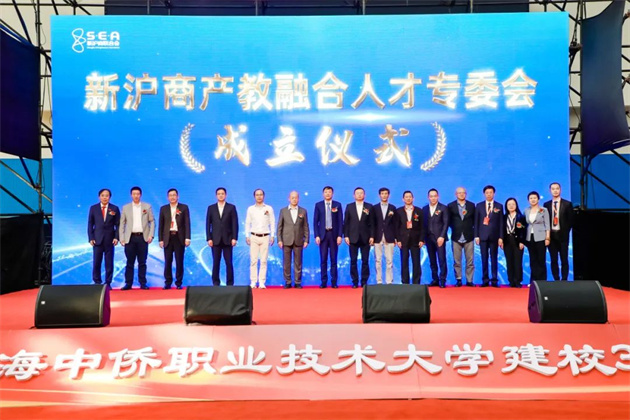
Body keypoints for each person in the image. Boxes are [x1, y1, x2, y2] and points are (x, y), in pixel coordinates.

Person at [119, 186, 154, 290]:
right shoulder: (126, 207)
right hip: (130, 238)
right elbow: (122, 223)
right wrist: (122, 237)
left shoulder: (147, 206)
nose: (136, 196)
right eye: (134, 194)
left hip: (143, 237)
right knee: (129, 262)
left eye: (138, 194)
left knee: (142, 262)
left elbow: (152, 221)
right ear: (131, 195)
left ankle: (143, 283)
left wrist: (151, 235)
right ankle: (128, 283)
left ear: (140, 195)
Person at [158, 188, 191, 290]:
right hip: (167, 238)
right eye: (170, 195)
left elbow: (187, 224)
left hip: (179, 237)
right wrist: (160, 239)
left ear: (178, 196)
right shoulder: (163, 209)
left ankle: (178, 283)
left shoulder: (184, 207)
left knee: (179, 261)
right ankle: (168, 282)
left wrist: (187, 238)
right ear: (168, 197)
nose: (172, 197)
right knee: (168, 261)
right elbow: (161, 225)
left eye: (174, 195)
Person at [206, 187, 239, 286]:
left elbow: (234, 224)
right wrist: (209, 238)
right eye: (219, 194)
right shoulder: (211, 208)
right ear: (216, 195)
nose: (221, 195)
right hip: (215, 240)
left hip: (228, 239)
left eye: (222, 193)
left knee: (229, 262)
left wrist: (234, 238)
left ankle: (230, 283)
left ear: (226, 195)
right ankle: (216, 282)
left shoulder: (231, 207)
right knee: (216, 262)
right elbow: (208, 224)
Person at [87, 188, 120, 285]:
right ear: (99, 197)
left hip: (110, 239)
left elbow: (118, 225)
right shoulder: (93, 208)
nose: (105, 197)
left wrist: (116, 237)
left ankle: (108, 283)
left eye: (107, 196)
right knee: (97, 262)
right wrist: (91, 238)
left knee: (109, 263)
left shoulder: (114, 208)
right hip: (97, 239)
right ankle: (97, 282)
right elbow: (90, 224)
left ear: (110, 197)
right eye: (103, 195)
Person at [277, 191, 310, 289]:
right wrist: (279, 239)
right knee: (286, 262)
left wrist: (306, 240)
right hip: (286, 240)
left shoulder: (303, 211)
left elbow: (306, 226)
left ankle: (297, 282)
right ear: (289, 199)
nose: (294, 199)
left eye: (296, 197)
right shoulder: (283, 211)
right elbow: (279, 226)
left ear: (298, 199)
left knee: (298, 262)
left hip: (299, 240)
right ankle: (287, 281)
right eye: (292, 197)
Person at [313, 186, 343, 288]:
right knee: (323, 260)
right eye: (326, 192)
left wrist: (340, 235)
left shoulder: (337, 205)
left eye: (329, 192)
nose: (328, 194)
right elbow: (315, 222)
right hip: (323, 235)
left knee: (334, 260)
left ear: (332, 194)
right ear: (323, 194)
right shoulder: (318, 205)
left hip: (334, 235)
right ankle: (324, 282)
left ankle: (334, 282)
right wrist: (317, 235)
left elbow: (340, 222)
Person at [344, 187, 374, 288]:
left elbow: (372, 223)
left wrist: (372, 236)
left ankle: (364, 281)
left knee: (365, 261)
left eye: (361, 193)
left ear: (364, 195)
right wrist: (346, 236)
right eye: (357, 193)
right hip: (353, 237)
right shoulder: (349, 206)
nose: (359, 195)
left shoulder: (369, 206)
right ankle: (355, 281)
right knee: (353, 261)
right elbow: (346, 223)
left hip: (366, 238)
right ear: (354, 195)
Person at [474, 185, 504, 287]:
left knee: (494, 258)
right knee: (484, 258)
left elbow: (501, 223)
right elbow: (476, 222)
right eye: (487, 193)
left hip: (494, 236)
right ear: (484, 194)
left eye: (491, 192)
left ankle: (494, 280)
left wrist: (501, 237)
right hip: (482, 236)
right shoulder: (479, 206)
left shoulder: (499, 206)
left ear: (494, 193)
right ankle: (485, 280)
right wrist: (476, 236)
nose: (489, 194)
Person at [245, 189, 275, 289]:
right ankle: (253, 281)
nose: (259, 196)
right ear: (254, 196)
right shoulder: (250, 209)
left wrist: (272, 235)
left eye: (261, 194)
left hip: (265, 236)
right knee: (253, 260)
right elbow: (247, 223)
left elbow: (272, 222)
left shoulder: (269, 208)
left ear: (264, 196)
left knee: (263, 260)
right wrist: (247, 236)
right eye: (257, 195)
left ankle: (262, 282)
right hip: (253, 236)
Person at [543, 182, 574, 281]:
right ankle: (556, 279)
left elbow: (571, 220)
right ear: (550, 191)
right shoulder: (546, 205)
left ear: (560, 190)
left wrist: (565, 231)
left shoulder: (567, 204)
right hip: (551, 236)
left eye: (557, 188)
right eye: (553, 189)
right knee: (553, 259)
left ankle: (564, 279)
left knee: (564, 259)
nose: (555, 191)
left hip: (563, 236)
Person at [447, 187, 476, 287]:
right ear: (456, 194)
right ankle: (458, 279)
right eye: (459, 193)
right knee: (457, 261)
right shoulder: (450, 206)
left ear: (466, 194)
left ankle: (469, 280)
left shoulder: (472, 205)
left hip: (469, 236)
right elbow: (448, 221)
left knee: (470, 261)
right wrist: (456, 227)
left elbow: (474, 220)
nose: (461, 194)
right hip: (456, 236)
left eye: (463, 192)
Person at [396, 190, 424, 285]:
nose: (408, 198)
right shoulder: (398, 211)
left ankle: (416, 282)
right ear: (403, 199)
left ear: (413, 198)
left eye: (410, 197)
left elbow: (422, 226)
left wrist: (421, 239)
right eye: (406, 197)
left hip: (416, 240)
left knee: (416, 262)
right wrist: (398, 240)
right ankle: (405, 283)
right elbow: (396, 227)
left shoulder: (419, 211)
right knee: (404, 262)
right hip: (403, 240)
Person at [423, 188, 449, 288]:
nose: (433, 198)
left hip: (439, 238)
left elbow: (446, 223)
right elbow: (423, 224)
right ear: (428, 197)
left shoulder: (443, 208)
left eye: (435, 196)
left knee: (442, 259)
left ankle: (442, 280)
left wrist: (442, 236)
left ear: (438, 196)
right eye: (431, 196)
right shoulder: (425, 209)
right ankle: (435, 279)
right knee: (432, 260)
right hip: (428, 238)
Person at [372, 187, 398, 285]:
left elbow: (395, 224)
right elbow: (372, 224)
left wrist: (396, 237)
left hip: (390, 236)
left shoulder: (393, 208)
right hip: (377, 236)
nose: (384, 195)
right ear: (379, 195)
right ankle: (379, 281)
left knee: (389, 260)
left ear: (389, 195)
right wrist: (372, 236)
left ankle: (389, 281)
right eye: (382, 194)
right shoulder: (374, 208)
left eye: (386, 193)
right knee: (378, 260)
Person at [524, 191, 550, 281]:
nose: (533, 200)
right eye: (531, 198)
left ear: (538, 199)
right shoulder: (526, 210)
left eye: (535, 198)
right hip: (529, 237)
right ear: (528, 200)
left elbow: (547, 225)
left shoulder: (544, 210)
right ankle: (533, 280)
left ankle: (542, 281)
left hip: (541, 237)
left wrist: (547, 238)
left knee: (541, 259)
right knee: (533, 259)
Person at [501, 197, 527, 288]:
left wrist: (522, 241)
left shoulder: (521, 217)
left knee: (518, 261)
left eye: (513, 204)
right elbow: (501, 230)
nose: (511, 206)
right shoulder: (504, 217)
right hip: (507, 240)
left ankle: (518, 281)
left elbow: (524, 230)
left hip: (517, 241)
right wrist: (501, 240)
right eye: (509, 204)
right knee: (509, 261)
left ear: (516, 205)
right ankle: (511, 281)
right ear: (506, 206)